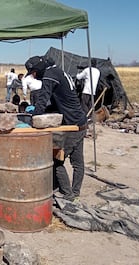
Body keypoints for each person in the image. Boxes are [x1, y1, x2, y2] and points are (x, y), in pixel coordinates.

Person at [25, 55, 88, 201]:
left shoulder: (49, 75)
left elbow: (42, 98)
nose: (33, 76)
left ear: (38, 69)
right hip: (80, 121)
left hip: (72, 125)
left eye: (33, 72)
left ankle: (67, 194)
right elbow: (55, 101)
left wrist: (33, 117)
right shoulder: (58, 72)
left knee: (56, 161)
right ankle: (75, 192)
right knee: (78, 162)